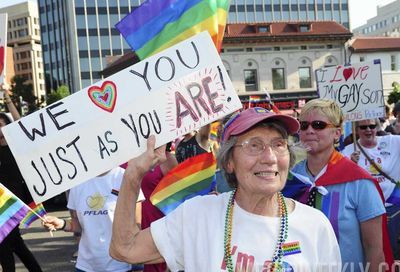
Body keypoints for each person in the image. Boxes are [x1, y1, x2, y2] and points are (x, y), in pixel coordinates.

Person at [110, 107, 341, 271]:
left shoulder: (315, 225)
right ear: (229, 162)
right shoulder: (197, 215)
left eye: (278, 145)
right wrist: (132, 176)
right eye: (254, 146)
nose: (269, 157)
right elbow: (125, 249)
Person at [283, 99, 393, 271]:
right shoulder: (289, 179)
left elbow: (375, 250)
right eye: (304, 125)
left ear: (337, 133)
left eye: (318, 125)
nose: (309, 130)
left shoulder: (359, 182)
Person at [43, 167, 143, 272]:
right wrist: (61, 224)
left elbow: (136, 227)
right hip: (86, 266)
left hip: (119, 265)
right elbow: (78, 226)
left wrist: (137, 266)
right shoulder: (77, 182)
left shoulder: (125, 177)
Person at [342, 118, 400, 258]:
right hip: (368, 210)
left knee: (395, 248)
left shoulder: (393, 142)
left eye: (372, 126)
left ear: (377, 127)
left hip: (394, 205)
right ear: (356, 130)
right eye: (363, 127)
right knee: (375, 248)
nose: (368, 130)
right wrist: (349, 165)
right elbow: (343, 180)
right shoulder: (347, 152)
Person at [0, 85, 43, 272]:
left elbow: (19, 122)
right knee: (13, 241)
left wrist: (7, 97)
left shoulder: (17, 145)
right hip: (1, 201)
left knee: (4, 241)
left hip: (15, 200)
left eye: (2, 124)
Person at [140, 142, 177, 272]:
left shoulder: (167, 159)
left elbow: (178, 198)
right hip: (129, 225)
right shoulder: (126, 158)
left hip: (155, 227)